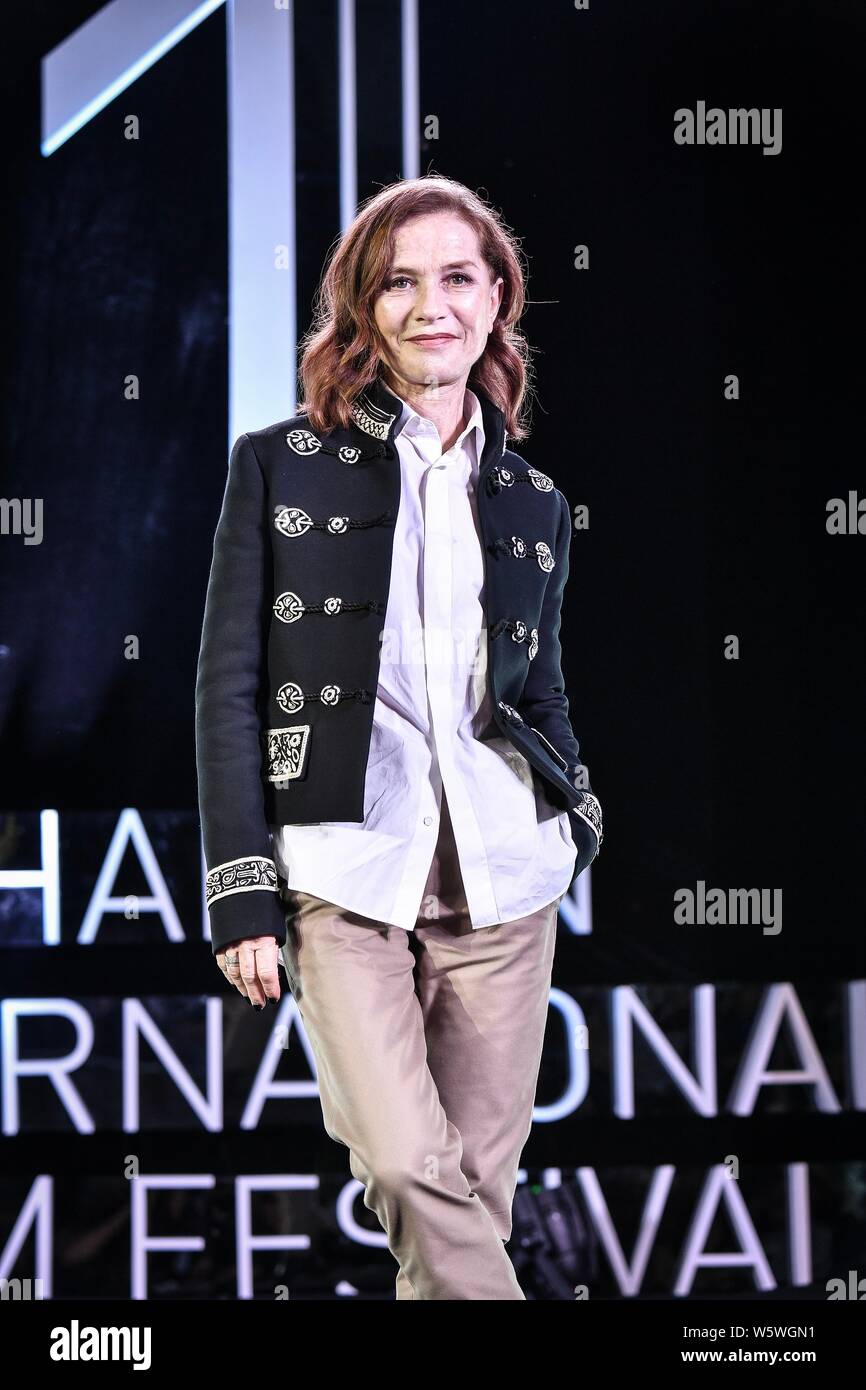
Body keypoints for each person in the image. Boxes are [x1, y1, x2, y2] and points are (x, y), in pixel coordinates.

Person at [195, 174, 602, 1299]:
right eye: (400, 282)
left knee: (477, 1183)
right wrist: (240, 888)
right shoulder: (279, 464)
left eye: (457, 278)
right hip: (340, 867)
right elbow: (228, 681)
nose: (432, 304)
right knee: (403, 1167)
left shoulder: (532, 499)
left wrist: (572, 814)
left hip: (504, 878)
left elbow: (542, 687)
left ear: (495, 301)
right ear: (363, 308)